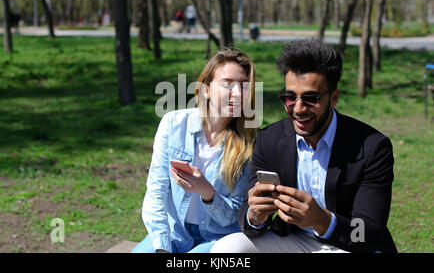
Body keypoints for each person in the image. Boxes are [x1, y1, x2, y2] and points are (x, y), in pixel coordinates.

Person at [211, 39, 397, 253]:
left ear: (334, 98)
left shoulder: (372, 146)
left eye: (311, 98)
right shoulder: (269, 139)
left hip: (349, 246)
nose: (298, 109)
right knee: (228, 249)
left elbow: (370, 232)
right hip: (292, 242)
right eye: (290, 98)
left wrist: (323, 221)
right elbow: (248, 215)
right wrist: (255, 215)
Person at [132, 48, 258, 253]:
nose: (237, 93)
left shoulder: (248, 144)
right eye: (227, 84)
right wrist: (162, 247)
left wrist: (207, 192)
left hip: (218, 238)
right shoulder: (173, 124)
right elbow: (156, 193)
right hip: (175, 233)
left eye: (244, 86)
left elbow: (233, 216)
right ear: (206, 89)